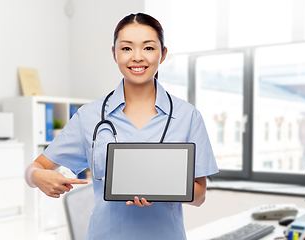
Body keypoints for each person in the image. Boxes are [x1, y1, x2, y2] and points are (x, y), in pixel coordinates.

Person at [25, 12, 218, 240]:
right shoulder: (90, 116)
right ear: (114, 54)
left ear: (163, 54)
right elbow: (36, 167)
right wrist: (36, 177)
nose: (137, 57)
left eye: (148, 48)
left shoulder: (188, 116)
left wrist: (162, 190)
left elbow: (200, 196)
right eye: (126, 48)